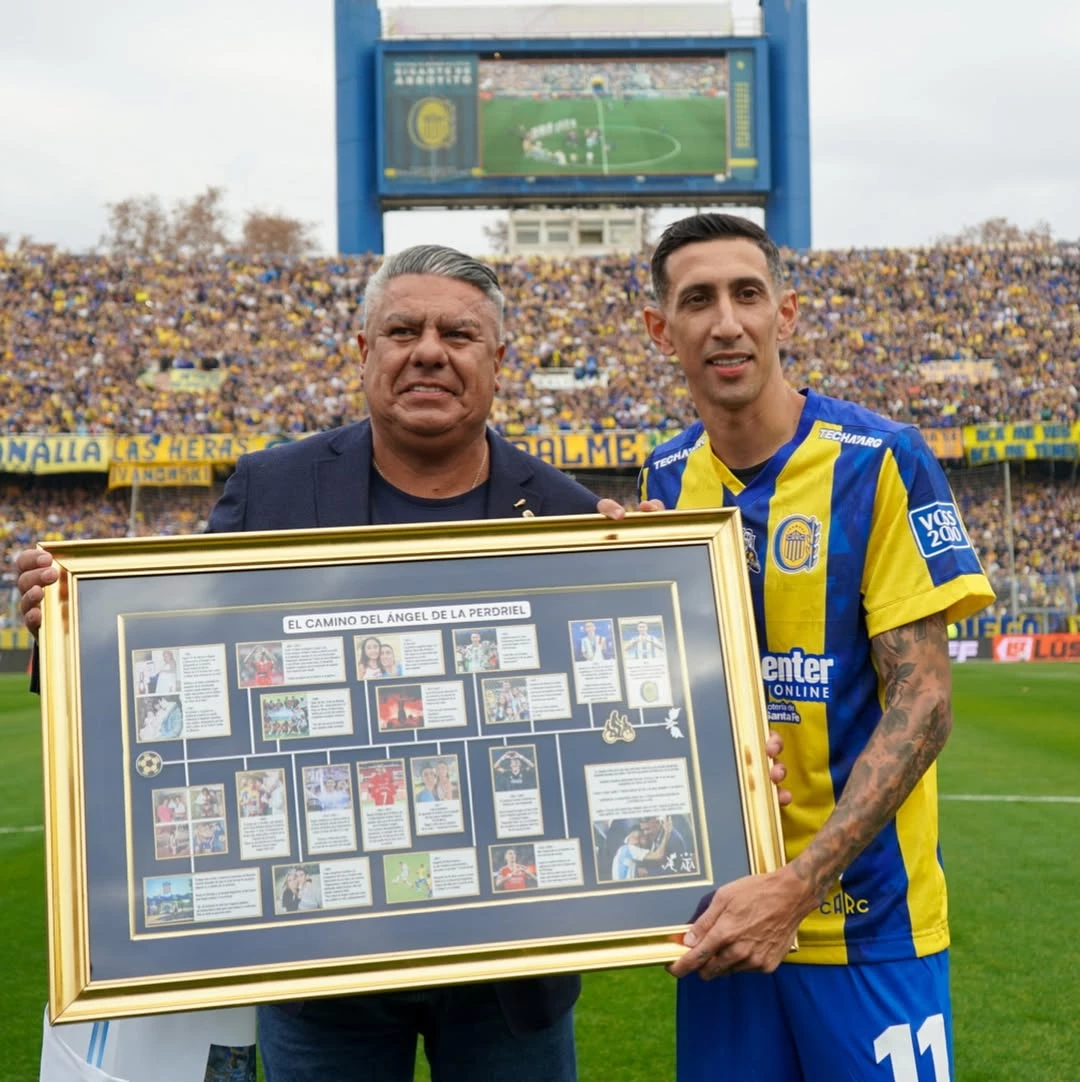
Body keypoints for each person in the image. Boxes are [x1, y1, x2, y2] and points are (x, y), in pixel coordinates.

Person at [17, 242, 789, 1082]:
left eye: (459, 334)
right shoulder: (271, 491)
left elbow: (630, 720)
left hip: (513, 973)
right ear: (364, 351)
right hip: (320, 964)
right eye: (402, 329)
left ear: (498, 361)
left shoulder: (572, 520)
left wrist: (691, 695)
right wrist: (66, 625)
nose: (429, 350)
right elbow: (176, 674)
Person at [638, 213, 996, 1081]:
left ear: (785, 314)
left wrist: (797, 886)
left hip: (867, 923)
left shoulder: (881, 460)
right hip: (723, 919)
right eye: (697, 300)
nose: (726, 321)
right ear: (662, 329)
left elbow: (925, 703)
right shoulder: (664, 476)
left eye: (747, 294)